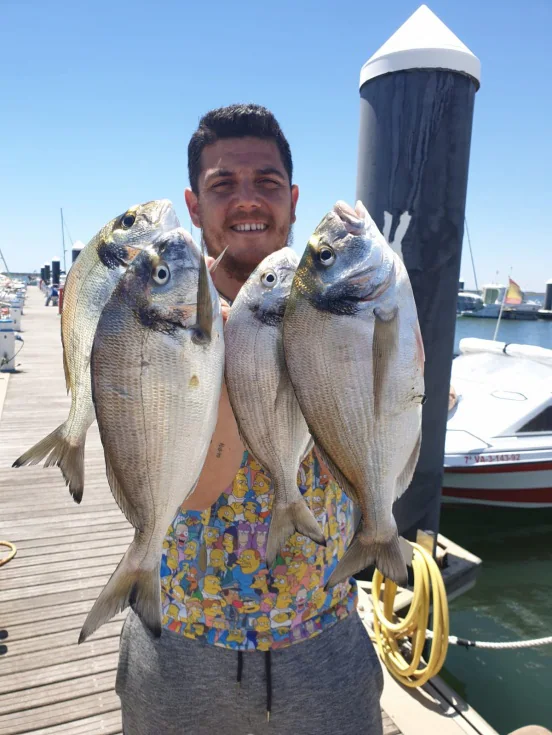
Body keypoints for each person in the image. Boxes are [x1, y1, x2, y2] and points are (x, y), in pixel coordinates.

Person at [115, 103, 384, 734]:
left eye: (266, 183)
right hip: (183, 639)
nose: (246, 201)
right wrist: (233, 353)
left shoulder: (347, 304)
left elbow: (393, 434)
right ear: (193, 204)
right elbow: (198, 492)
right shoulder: (161, 321)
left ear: (292, 200)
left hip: (324, 632)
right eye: (222, 185)